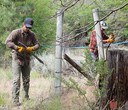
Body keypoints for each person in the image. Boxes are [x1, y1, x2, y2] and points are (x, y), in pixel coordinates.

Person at [5, 18, 40, 106]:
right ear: (23, 24)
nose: (28, 29)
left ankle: (26, 98)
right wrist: (16, 47)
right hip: (17, 58)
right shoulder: (15, 32)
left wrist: (32, 48)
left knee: (26, 79)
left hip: (27, 59)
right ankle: (15, 100)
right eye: (26, 26)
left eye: (29, 27)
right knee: (16, 80)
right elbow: (8, 42)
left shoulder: (32, 35)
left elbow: (37, 44)